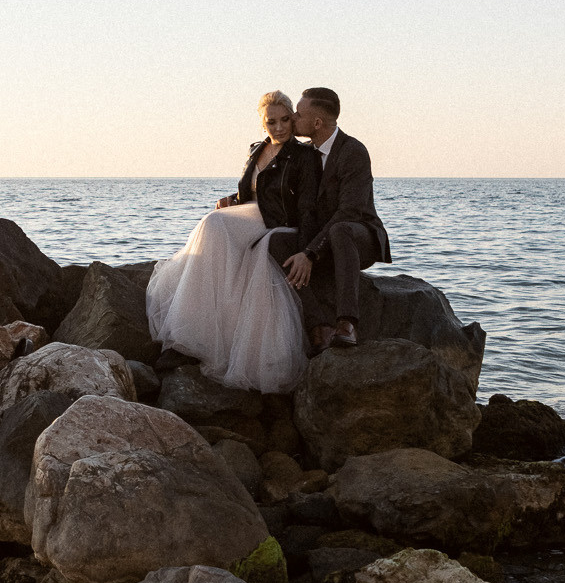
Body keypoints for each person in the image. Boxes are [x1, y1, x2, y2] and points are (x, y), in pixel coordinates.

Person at [144, 92, 317, 393]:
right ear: (262, 123)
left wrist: (306, 250)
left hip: (278, 222)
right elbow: (253, 190)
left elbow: (306, 207)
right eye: (271, 122)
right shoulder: (256, 149)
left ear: (293, 118)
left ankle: (192, 339)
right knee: (213, 225)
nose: (279, 128)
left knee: (214, 225)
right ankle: (187, 339)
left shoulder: (304, 156)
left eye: (285, 120)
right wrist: (233, 200)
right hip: (251, 214)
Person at [272, 87, 391, 349]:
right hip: (321, 239)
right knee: (275, 241)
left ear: (317, 123)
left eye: (298, 114)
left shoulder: (353, 151)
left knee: (342, 229)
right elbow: (275, 188)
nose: (293, 117)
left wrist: (310, 253)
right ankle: (319, 325)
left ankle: (347, 323)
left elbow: (350, 211)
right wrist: (236, 199)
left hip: (359, 237)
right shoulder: (304, 154)